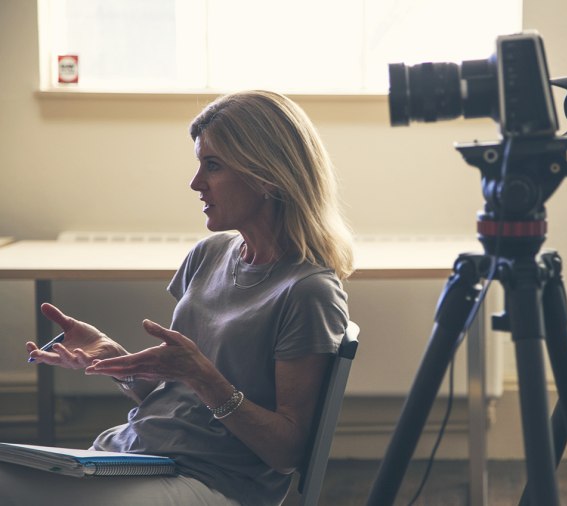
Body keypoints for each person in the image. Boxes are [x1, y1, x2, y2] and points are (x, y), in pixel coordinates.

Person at [1, 90, 354, 506]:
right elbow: (175, 400)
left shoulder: (309, 292)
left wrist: (205, 377)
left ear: (266, 176)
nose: (195, 183)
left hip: (215, 482)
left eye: (213, 165)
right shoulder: (208, 254)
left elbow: (287, 453)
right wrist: (115, 360)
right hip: (134, 454)